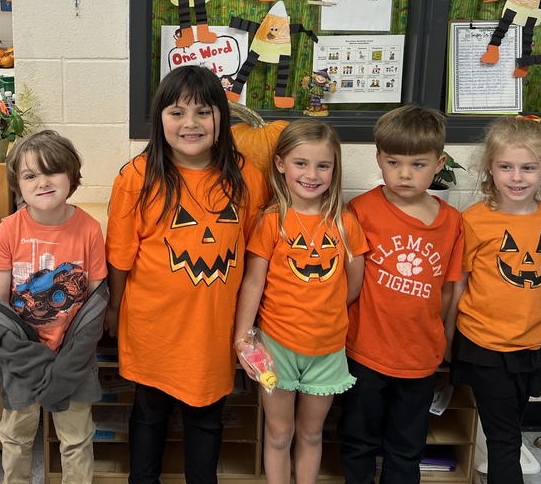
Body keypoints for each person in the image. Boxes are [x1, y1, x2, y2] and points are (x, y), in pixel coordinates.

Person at [105, 65, 269, 484]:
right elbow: (121, 258)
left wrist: (251, 324)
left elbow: (255, 256)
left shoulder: (247, 177)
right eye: (177, 112)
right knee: (148, 415)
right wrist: (115, 310)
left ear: (221, 118)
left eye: (203, 111)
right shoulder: (136, 177)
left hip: (212, 329)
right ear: (160, 119)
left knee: (206, 418)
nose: (190, 123)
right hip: (152, 326)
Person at [234, 119, 367, 484]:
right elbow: (253, 282)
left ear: (334, 169)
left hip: (327, 349)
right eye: (301, 163)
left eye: (323, 165)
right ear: (280, 164)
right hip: (276, 347)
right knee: (278, 434)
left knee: (311, 434)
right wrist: (243, 336)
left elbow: (352, 286)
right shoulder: (270, 221)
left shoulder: (345, 224)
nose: (312, 174)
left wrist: (323, 315)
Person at [338, 105, 465, 484]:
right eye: (393, 162)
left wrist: (447, 339)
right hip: (365, 350)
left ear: (439, 163)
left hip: (419, 355)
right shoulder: (360, 210)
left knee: (407, 444)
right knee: (357, 437)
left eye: (418, 164)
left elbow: (449, 287)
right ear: (378, 158)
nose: (405, 174)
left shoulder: (452, 222)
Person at [0, 129, 108, 484]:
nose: (42, 182)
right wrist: (33, 359)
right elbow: (1, 309)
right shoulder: (6, 233)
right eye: (30, 175)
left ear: (71, 175)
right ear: (17, 185)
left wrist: (68, 360)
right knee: (16, 435)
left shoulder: (89, 230)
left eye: (52, 171)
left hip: (75, 355)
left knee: (77, 438)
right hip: (21, 355)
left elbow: (96, 303)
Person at [447, 117, 541, 484]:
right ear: (490, 169)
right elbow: (458, 286)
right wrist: (447, 338)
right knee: (505, 441)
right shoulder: (474, 221)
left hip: (530, 345)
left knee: (511, 427)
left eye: (528, 167)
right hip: (484, 343)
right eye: (506, 167)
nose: (517, 177)